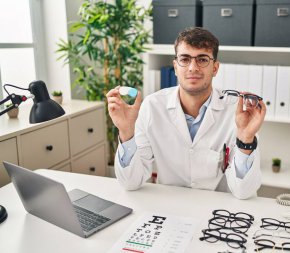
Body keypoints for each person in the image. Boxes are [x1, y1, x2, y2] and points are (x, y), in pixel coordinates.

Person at [106, 27, 266, 199]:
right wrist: (126, 132)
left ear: (215, 68)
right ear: (175, 67)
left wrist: (246, 140)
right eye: (185, 59)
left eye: (202, 59)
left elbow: (244, 192)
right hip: (169, 207)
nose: (192, 67)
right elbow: (130, 182)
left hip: (218, 213)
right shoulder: (152, 107)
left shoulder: (236, 112)